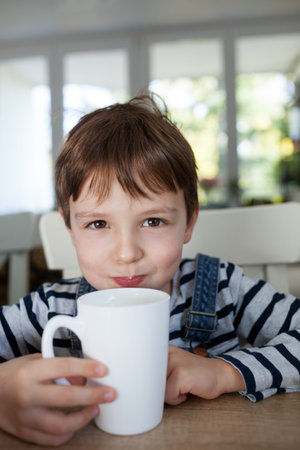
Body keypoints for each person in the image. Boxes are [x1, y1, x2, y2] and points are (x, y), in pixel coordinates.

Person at [0, 93, 299, 446]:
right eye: (98, 224)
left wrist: (225, 372)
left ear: (189, 221)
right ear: (70, 229)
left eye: (153, 220)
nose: (126, 254)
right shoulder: (49, 309)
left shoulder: (223, 288)